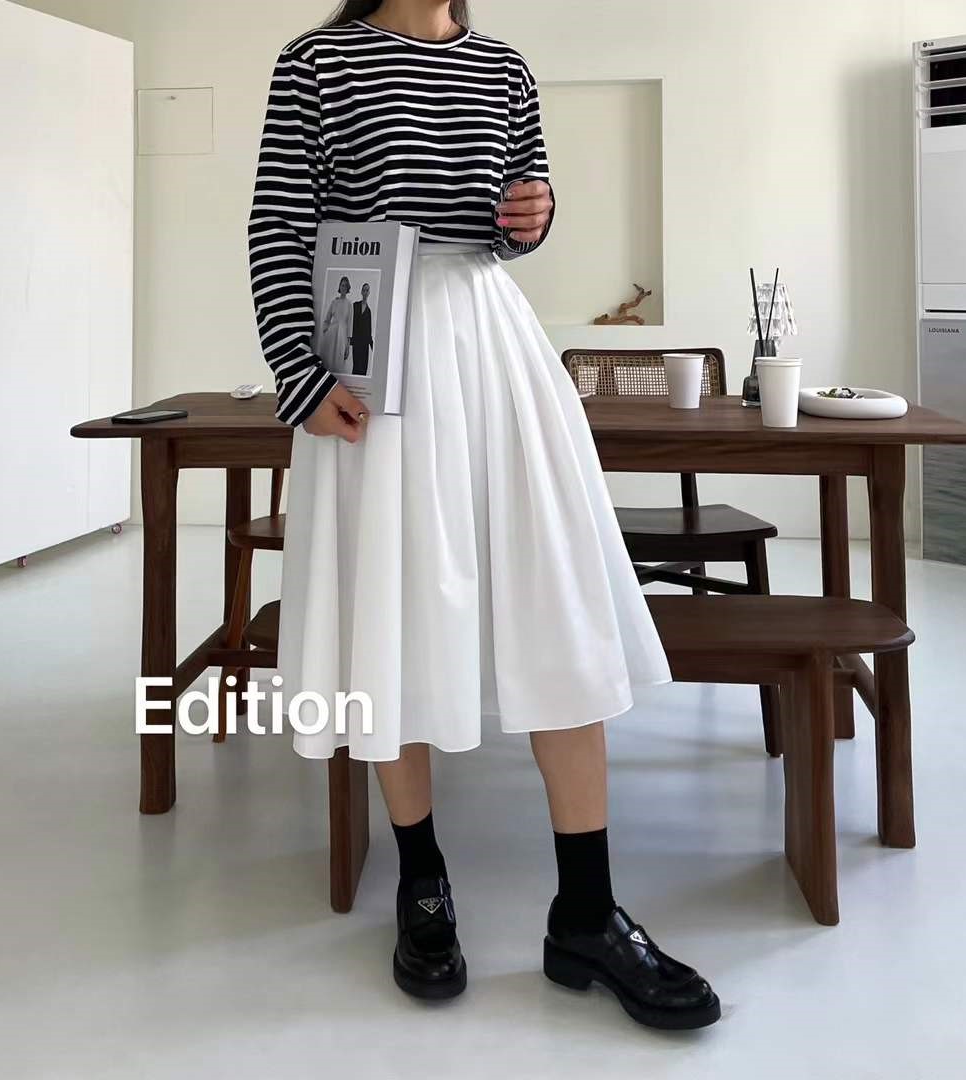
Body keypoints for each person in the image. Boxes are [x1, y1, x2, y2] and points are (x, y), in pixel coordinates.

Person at [247, 0, 720, 1030]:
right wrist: (297, 373)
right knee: (390, 603)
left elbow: (520, 214)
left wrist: (532, 214)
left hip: (493, 336)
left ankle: (586, 912)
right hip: (371, 343)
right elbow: (278, 225)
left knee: (555, 593)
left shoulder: (505, 66)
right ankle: (422, 882)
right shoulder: (317, 60)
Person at [318, 276, 354, 372]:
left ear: (348, 288)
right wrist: (325, 331)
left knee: (339, 364)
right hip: (331, 335)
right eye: (342, 285)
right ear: (339, 286)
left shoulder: (349, 304)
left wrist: (348, 346)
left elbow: (350, 325)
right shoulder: (334, 302)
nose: (343, 287)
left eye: (345, 286)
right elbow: (327, 319)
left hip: (342, 337)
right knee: (328, 363)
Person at [350, 283, 374, 375]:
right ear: (361, 292)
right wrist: (349, 339)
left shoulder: (369, 311)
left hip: (365, 344)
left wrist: (372, 345)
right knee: (356, 366)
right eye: (364, 290)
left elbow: (369, 330)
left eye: (367, 290)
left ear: (369, 293)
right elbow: (350, 321)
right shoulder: (355, 306)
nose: (365, 292)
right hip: (356, 341)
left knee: (363, 368)